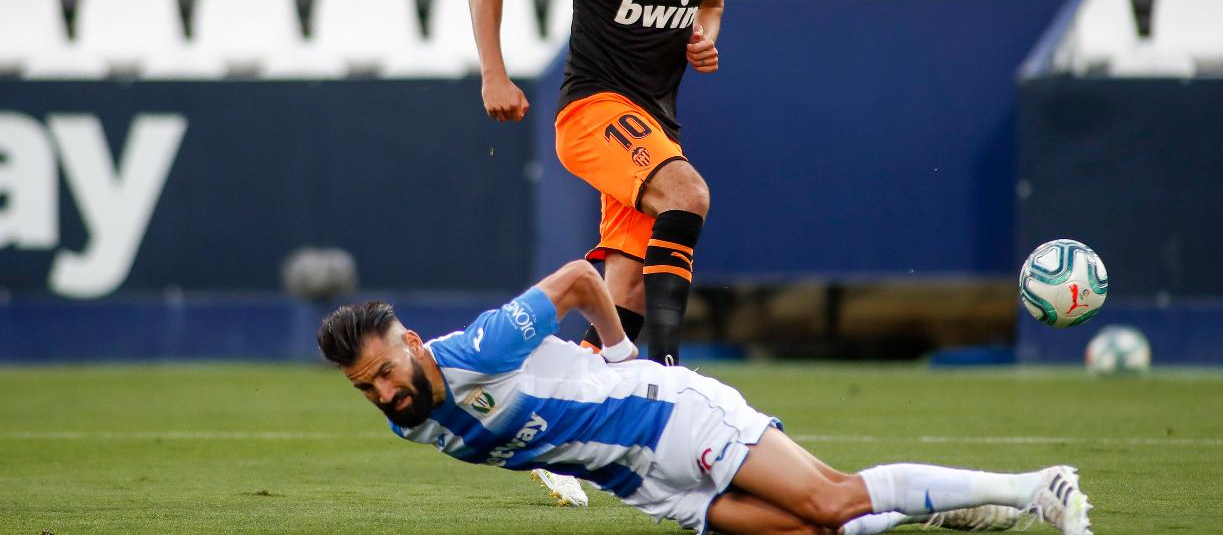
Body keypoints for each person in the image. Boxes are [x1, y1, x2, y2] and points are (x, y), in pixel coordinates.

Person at [316, 260, 1094, 535]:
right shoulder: (410, 426)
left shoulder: (484, 346)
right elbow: (517, 432)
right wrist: (547, 465)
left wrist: (624, 361)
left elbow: (583, 278)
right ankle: (936, 509)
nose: (385, 393)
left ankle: (1036, 489)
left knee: (826, 501)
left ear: (410, 342)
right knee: (824, 533)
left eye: (385, 371)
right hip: (648, 489)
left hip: (671, 417)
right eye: (367, 389)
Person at [468, 0, 728, 373]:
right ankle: (667, 378)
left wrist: (704, 38)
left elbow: (710, 3)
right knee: (688, 194)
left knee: (629, 286)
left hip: (652, 127)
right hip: (592, 112)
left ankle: (576, 426)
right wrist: (495, 73)